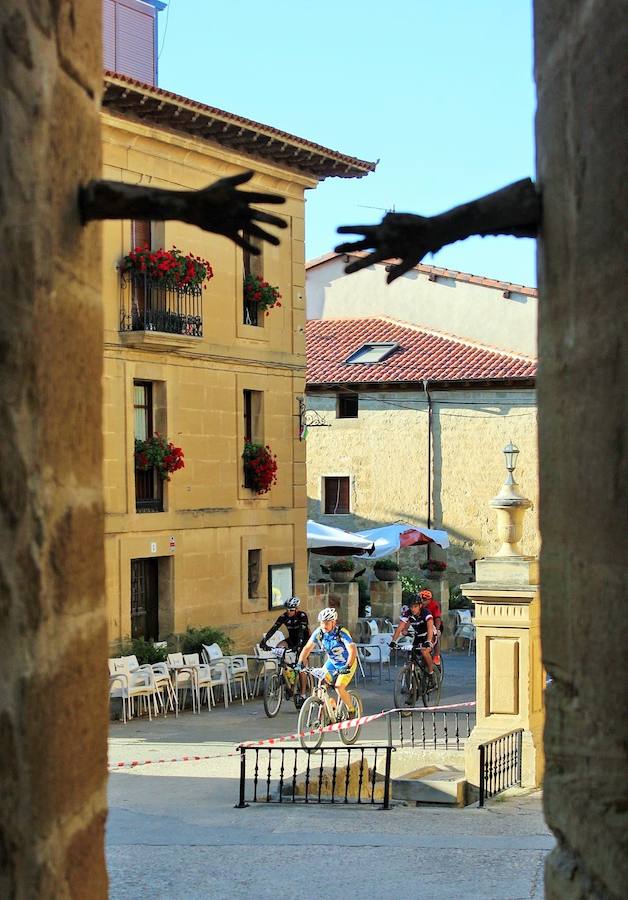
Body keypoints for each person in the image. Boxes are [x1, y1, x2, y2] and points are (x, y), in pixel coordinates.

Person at [296, 607, 358, 715]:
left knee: (339, 687)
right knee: (321, 685)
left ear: (334, 622)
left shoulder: (341, 632)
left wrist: (347, 666)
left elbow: (352, 650)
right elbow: (307, 648)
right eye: (322, 623)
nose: (323, 626)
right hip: (333, 663)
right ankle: (331, 705)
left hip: (347, 663)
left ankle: (351, 709)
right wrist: (300, 663)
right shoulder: (319, 633)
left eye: (327, 623)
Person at [260, 597, 310, 704]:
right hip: (291, 639)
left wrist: (299, 646)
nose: (289, 612)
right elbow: (274, 628)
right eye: (287, 609)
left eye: (291, 610)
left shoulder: (302, 616)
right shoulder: (284, 616)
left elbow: (302, 631)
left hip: (304, 641)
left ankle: (302, 694)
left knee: (302, 665)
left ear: (296, 609)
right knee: (279, 647)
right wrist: (264, 641)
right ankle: (285, 672)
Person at [389, 593, 437, 688]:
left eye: (415, 606)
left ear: (420, 605)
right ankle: (413, 682)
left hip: (430, 635)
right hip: (418, 636)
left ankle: (431, 674)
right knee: (412, 653)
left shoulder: (426, 613)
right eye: (411, 607)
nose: (413, 609)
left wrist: (428, 641)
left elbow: (430, 628)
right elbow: (400, 628)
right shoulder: (408, 614)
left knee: (424, 652)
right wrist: (393, 641)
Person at [419, 589, 442, 666]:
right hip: (423, 625)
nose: (423, 601)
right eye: (421, 599)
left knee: (435, 637)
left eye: (425, 600)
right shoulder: (419, 606)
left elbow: (437, 618)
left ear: (430, 600)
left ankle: (436, 656)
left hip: (435, 624)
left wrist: (438, 630)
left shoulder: (434, 605)